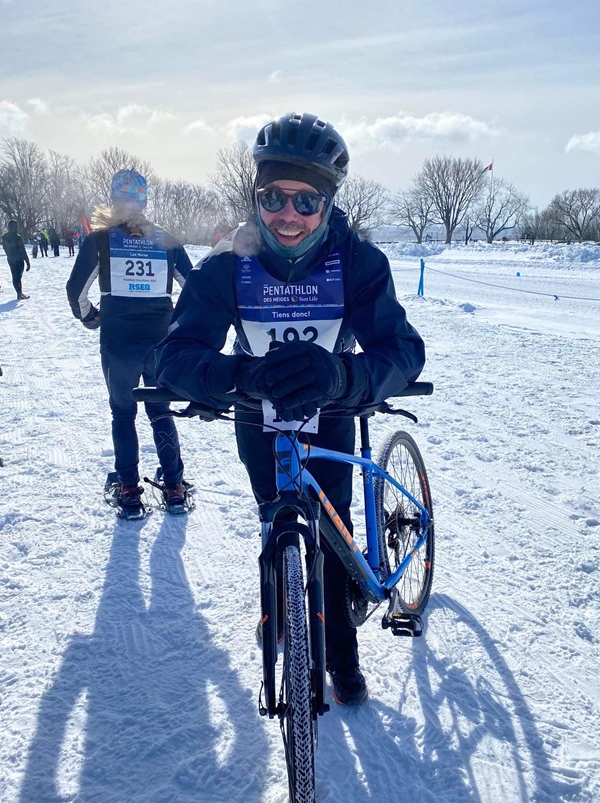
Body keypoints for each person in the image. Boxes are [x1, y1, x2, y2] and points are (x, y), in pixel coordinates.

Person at [155, 112, 425, 705]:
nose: (289, 215)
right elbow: (173, 355)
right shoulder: (227, 264)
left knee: (333, 530)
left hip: (332, 410)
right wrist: (236, 377)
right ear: (256, 196)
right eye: (274, 197)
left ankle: (342, 650)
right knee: (273, 515)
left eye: (307, 202)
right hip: (258, 413)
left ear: (327, 206)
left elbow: (404, 351)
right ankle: (279, 605)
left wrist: (346, 375)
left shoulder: (357, 261)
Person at [66, 168, 194, 512]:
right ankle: (175, 487)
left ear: (113, 199)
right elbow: (195, 290)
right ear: (144, 200)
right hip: (159, 344)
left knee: (122, 415)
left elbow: (75, 291)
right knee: (160, 412)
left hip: (118, 344)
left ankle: (128, 492)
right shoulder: (165, 239)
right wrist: (177, 325)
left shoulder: (100, 240)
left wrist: (91, 317)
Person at [2, 220, 31, 300]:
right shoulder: (18, 237)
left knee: (15, 276)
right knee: (18, 277)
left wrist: (9, 255)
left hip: (11, 259)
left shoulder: (4, 237)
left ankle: (19, 292)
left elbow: (4, 248)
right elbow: (23, 250)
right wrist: (27, 262)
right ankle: (19, 293)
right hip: (19, 259)